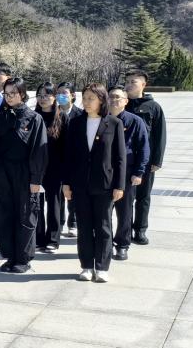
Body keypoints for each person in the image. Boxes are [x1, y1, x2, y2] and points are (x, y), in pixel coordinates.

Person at [62, 84, 126, 282]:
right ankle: (87, 266)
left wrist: (120, 185)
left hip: (104, 184)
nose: (86, 102)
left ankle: (102, 267)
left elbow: (120, 157)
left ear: (101, 100)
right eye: (85, 98)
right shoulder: (76, 123)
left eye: (91, 98)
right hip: (80, 184)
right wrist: (66, 183)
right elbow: (68, 156)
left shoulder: (114, 123)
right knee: (84, 226)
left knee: (103, 226)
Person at [0, 77, 47, 274]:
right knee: (4, 215)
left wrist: (36, 179)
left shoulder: (34, 118)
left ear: (22, 94)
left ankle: (23, 258)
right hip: (3, 172)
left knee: (25, 214)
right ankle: (9, 256)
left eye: (13, 93)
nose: (9, 97)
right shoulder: (0, 118)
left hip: (25, 173)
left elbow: (39, 150)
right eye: (7, 93)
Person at [125, 70, 167, 246]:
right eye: (127, 81)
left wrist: (157, 160)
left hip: (145, 160)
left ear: (143, 85)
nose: (129, 85)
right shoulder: (122, 104)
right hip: (125, 159)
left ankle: (140, 230)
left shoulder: (153, 107)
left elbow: (160, 135)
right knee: (125, 198)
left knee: (143, 196)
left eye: (133, 82)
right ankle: (125, 230)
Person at [109, 86, 150, 262]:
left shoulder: (135, 121)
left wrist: (139, 172)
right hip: (104, 173)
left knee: (124, 212)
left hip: (126, 173)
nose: (113, 100)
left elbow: (143, 148)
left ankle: (122, 245)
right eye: (111, 97)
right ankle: (105, 243)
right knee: (103, 211)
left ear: (126, 101)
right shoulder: (101, 119)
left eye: (118, 97)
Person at [34, 82, 69, 254]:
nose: (43, 99)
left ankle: (53, 239)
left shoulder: (62, 117)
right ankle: (39, 238)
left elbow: (67, 146)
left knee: (54, 203)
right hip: (36, 168)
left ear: (55, 97)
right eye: (40, 95)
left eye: (47, 95)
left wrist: (65, 171)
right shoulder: (33, 116)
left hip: (55, 168)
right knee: (37, 204)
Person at [56, 82, 83, 237]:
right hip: (57, 160)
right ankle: (59, 223)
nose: (61, 96)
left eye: (64, 93)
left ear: (72, 95)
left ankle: (73, 223)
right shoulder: (54, 113)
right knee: (58, 195)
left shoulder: (80, 114)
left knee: (72, 194)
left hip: (74, 160)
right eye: (58, 92)